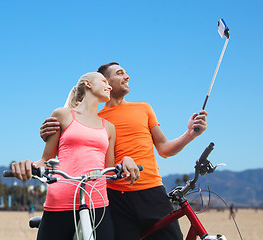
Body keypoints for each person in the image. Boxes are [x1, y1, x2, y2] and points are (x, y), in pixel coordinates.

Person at [40, 62, 208, 240]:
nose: (127, 77)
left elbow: (164, 149)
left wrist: (190, 134)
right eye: (120, 73)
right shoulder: (95, 120)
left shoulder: (144, 108)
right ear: (106, 82)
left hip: (151, 191)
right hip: (113, 198)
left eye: (126, 73)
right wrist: (47, 132)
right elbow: (69, 144)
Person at [11, 72, 140, 240]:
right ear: (88, 84)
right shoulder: (62, 115)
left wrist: (126, 161)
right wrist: (28, 166)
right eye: (104, 81)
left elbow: (108, 173)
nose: (109, 86)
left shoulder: (109, 127)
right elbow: (45, 160)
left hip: (98, 203)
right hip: (60, 202)